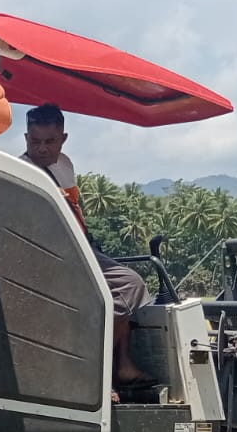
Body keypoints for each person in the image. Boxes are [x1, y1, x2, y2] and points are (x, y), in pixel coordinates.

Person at [23, 103, 154, 392]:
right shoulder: (20, 173)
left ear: (63, 139)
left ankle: (120, 363)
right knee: (93, 297)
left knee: (130, 284)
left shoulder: (64, 165)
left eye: (50, 142)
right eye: (35, 142)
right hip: (47, 254)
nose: (42, 148)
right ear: (26, 139)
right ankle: (94, 373)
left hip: (80, 249)